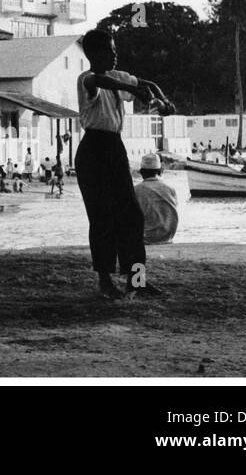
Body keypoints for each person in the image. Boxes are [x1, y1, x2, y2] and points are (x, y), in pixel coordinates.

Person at [77, 28, 172, 301]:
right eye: (111, 50)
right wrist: (133, 90)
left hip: (114, 147)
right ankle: (105, 281)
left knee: (131, 216)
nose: (116, 55)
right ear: (95, 54)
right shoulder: (87, 79)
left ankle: (137, 281)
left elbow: (147, 83)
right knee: (101, 217)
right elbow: (100, 81)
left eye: (115, 50)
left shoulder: (116, 77)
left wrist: (162, 99)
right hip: (93, 149)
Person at [134, 153, 179, 244]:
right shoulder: (171, 189)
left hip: (146, 239)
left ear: (142, 173)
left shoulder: (136, 190)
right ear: (159, 172)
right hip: (167, 237)